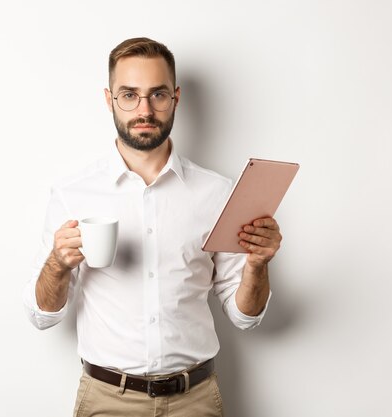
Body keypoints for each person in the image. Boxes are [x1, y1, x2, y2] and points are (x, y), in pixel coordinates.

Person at [23, 37, 282, 417]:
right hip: (107, 401)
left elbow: (245, 316)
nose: (144, 109)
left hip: (194, 400)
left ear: (175, 97)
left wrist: (257, 266)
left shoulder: (217, 193)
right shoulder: (72, 194)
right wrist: (57, 265)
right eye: (129, 95)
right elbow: (43, 315)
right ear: (109, 100)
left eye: (157, 94)